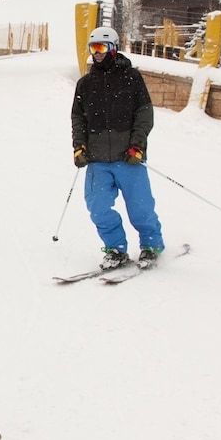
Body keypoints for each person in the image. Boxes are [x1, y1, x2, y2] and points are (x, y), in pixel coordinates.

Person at [70, 26, 164, 270]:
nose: (97, 53)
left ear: (113, 48)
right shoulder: (85, 84)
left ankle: (151, 245)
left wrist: (137, 145)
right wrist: (79, 146)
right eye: (93, 48)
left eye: (101, 48)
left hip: (128, 157)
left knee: (140, 207)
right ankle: (115, 249)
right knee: (98, 208)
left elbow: (144, 114)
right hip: (98, 159)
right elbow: (78, 119)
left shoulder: (131, 78)